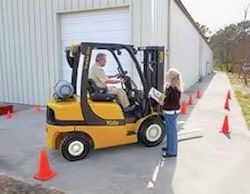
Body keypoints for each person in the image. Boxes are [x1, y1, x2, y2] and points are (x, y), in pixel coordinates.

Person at [160, 68, 184, 158]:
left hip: (171, 112)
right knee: (169, 131)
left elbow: (173, 103)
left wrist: (163, 103)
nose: (166, 77)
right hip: (169, 112)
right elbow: (167, 99)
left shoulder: (174, 89)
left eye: (167, 76)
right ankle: (169, 147)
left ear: (171, 78)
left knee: (172, 132)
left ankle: (172, 151)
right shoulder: (170, 87)